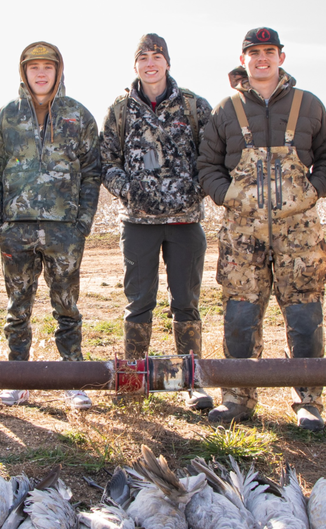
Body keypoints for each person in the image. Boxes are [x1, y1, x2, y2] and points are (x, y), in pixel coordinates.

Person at [198, 27, 326, 430]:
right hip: (243, 233)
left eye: (269, 52)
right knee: (240, 315)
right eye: (254, 53)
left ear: (282, 57)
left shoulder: (307, 104)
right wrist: (227, 196)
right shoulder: (226, 109)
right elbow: (206, 164)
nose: (262, 59)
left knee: (304, 314)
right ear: (243, 60)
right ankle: (238, 398)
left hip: (299, 231)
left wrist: (315, 190)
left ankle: (308, 400)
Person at [0, 42, 101, 410]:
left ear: (58, 71)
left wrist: (81, 223)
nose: (41, 73)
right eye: (33, 67)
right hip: (16, 230)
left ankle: (72, 380)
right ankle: (18, 379)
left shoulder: (78, 116)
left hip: (64, 230)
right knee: (18, 306)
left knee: (66, 305)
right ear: (24, 72)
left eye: (47, 67)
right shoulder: (5, 117)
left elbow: (92, 173)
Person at [101, 34, 214, 411]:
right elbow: (107, 161)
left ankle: (193, 383)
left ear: (168, 62)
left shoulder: (195, 106)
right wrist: (128, 189)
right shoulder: (119, 109)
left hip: (185, 222)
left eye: (157, 56)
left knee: (186, 304)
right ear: (135, 66)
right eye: (143, 57)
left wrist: (194, 190)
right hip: (138, 223)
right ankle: (134, 379)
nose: (151, 63)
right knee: (138, 303)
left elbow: (212, 156)